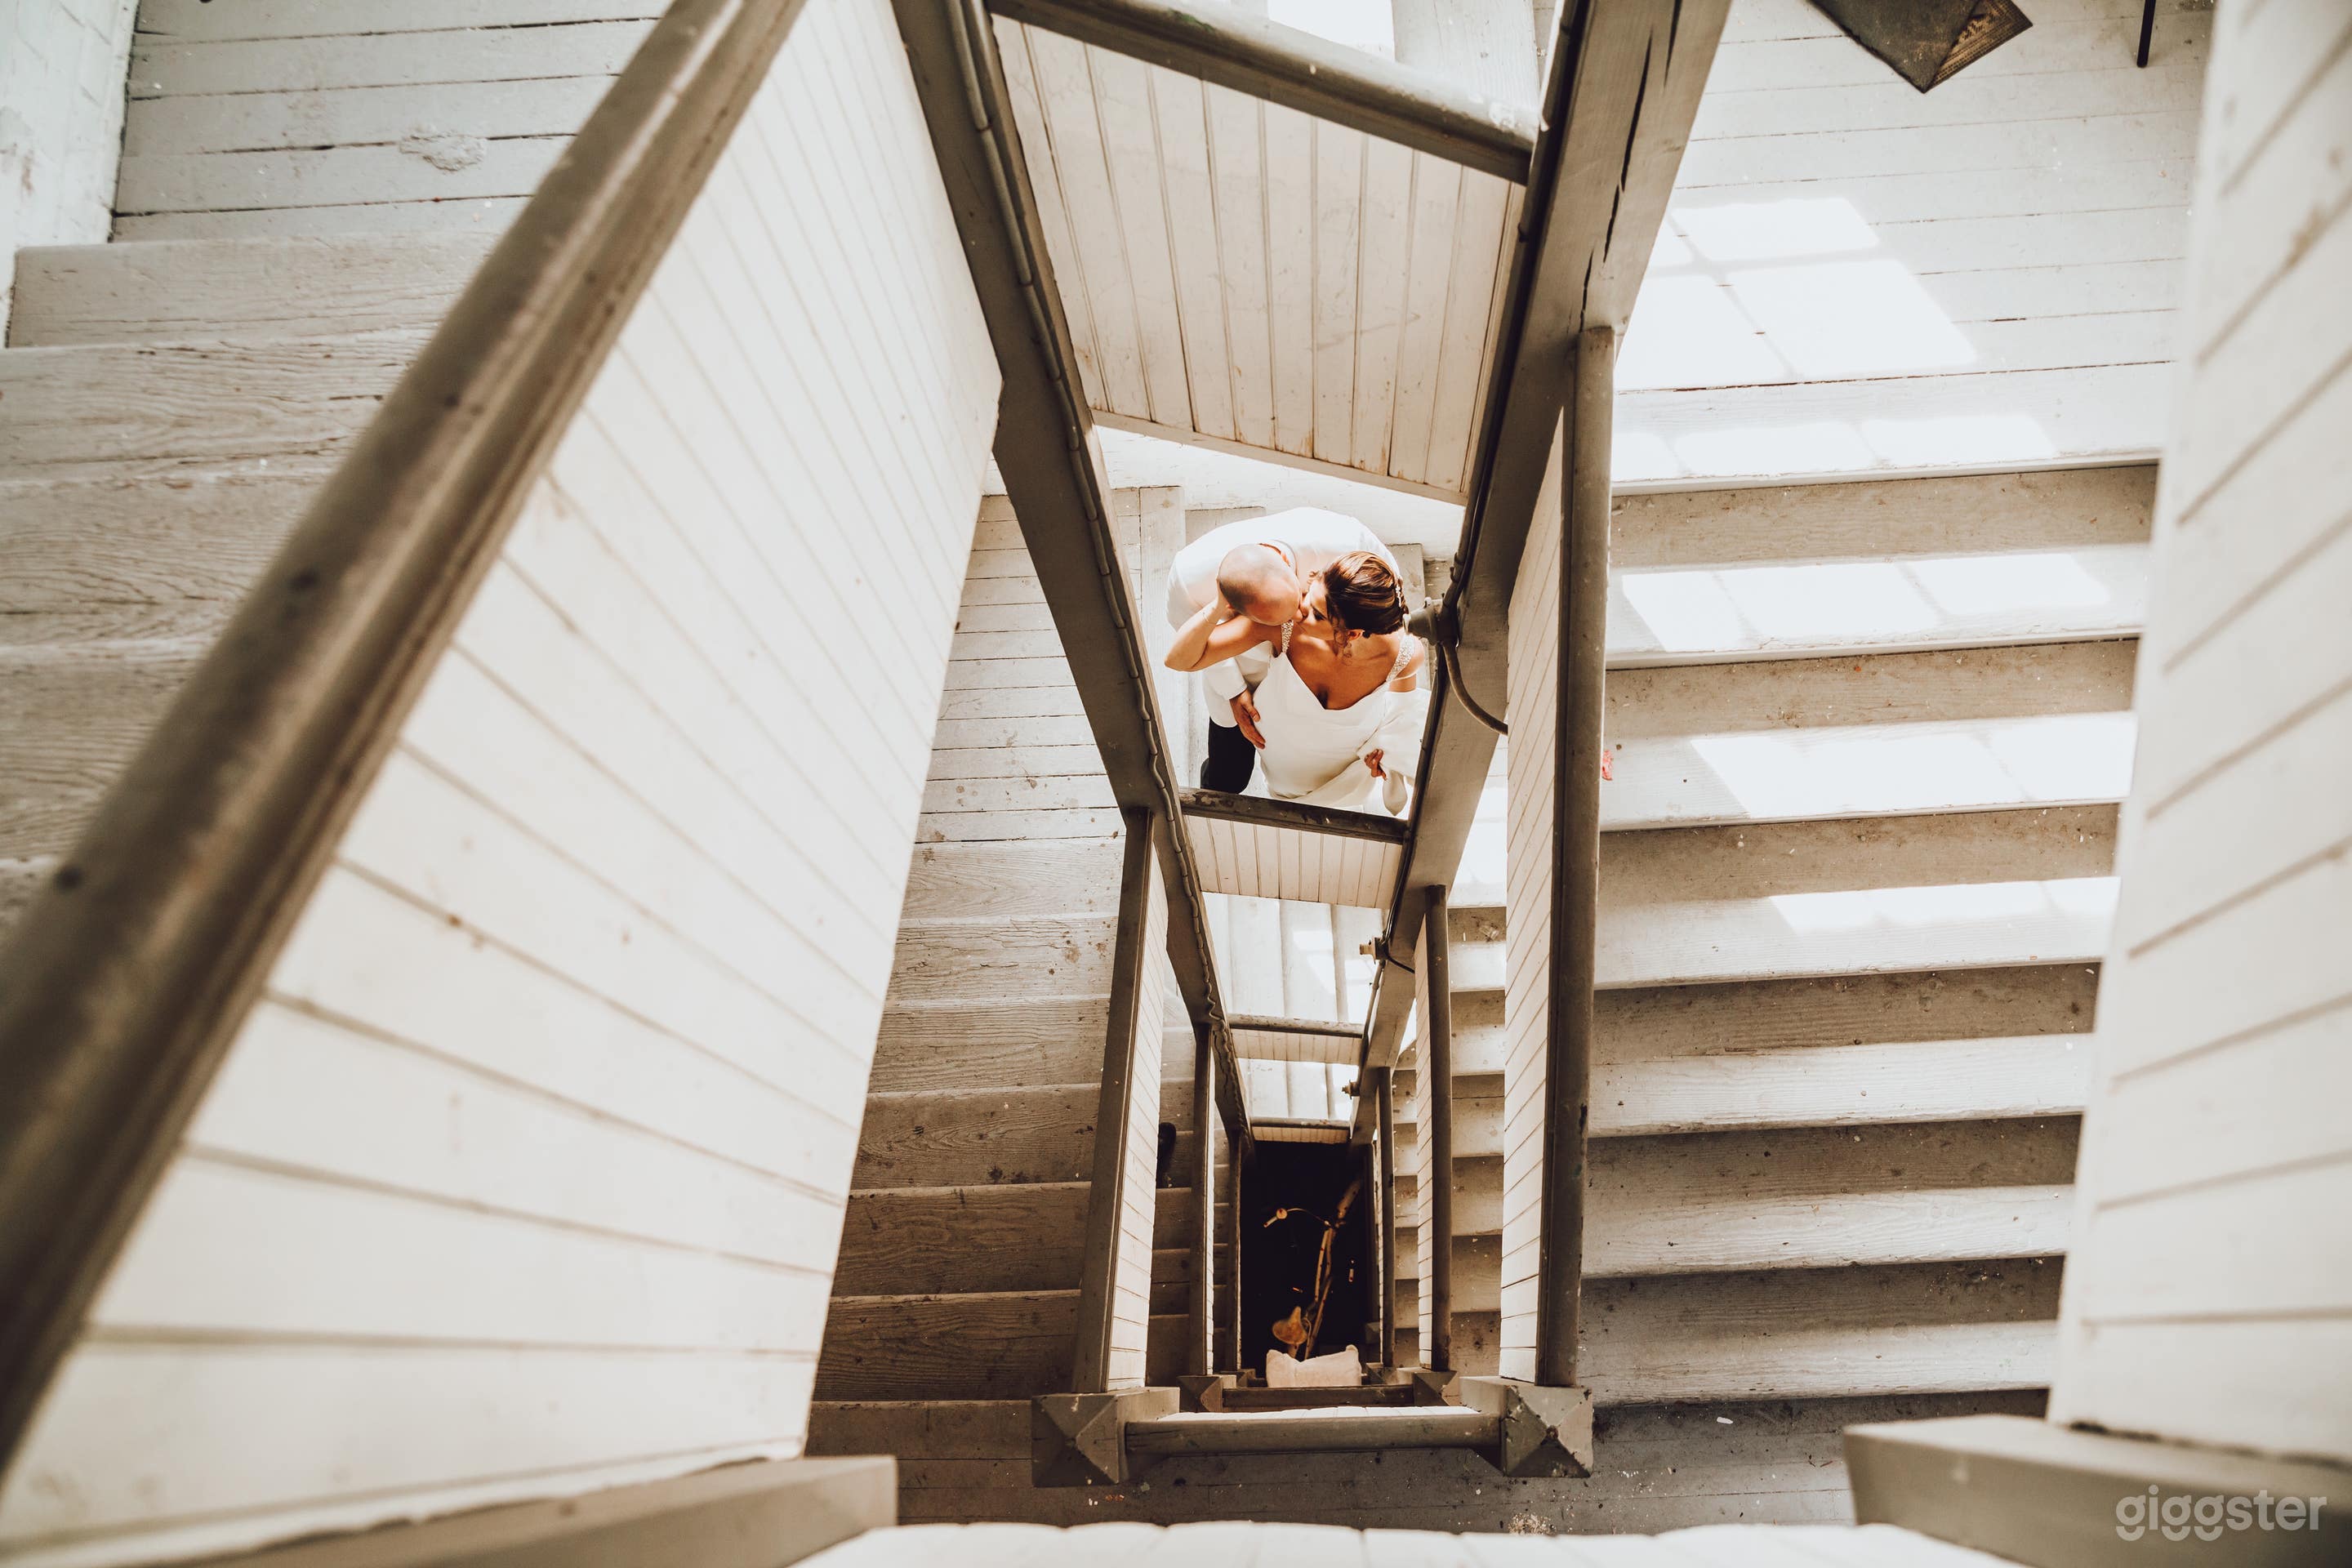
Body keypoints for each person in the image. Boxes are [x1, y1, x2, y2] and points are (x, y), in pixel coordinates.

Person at [1165, 551, 1428, 816]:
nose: (1300, 611)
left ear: (1352, 634)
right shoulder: (1285, 626)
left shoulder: (1405, 656)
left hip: (1344, 761)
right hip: (1282, 756)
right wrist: (1220, 602)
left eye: (1317, 615)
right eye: (1309, 595)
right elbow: (1179, 659)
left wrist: (1387, 749)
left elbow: (1402, 707)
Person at [1162, 507, 1398, 792]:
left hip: (1309, 694)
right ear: (1237, 611)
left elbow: (1388, 594)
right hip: (1235, 666)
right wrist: (1234, 690)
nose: (1297, 621)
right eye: (1282, 619)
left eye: (1303, 603)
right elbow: (1185, 654)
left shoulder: (1343, 540)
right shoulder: (1188, 580)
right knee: (1229, 776)